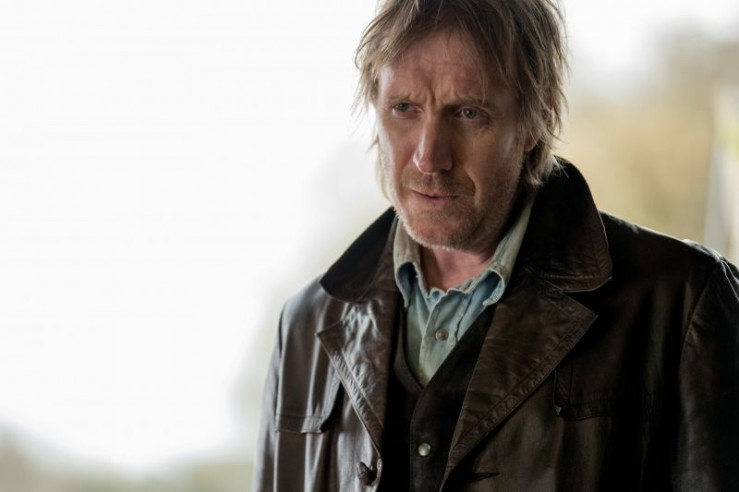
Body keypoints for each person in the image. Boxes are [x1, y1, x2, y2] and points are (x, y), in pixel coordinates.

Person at [253, 0, 739, 490]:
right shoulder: (305, 326)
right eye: (404, 109)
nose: (429, 157)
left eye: (468, 113)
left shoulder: (683, 303)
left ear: (535, 119)